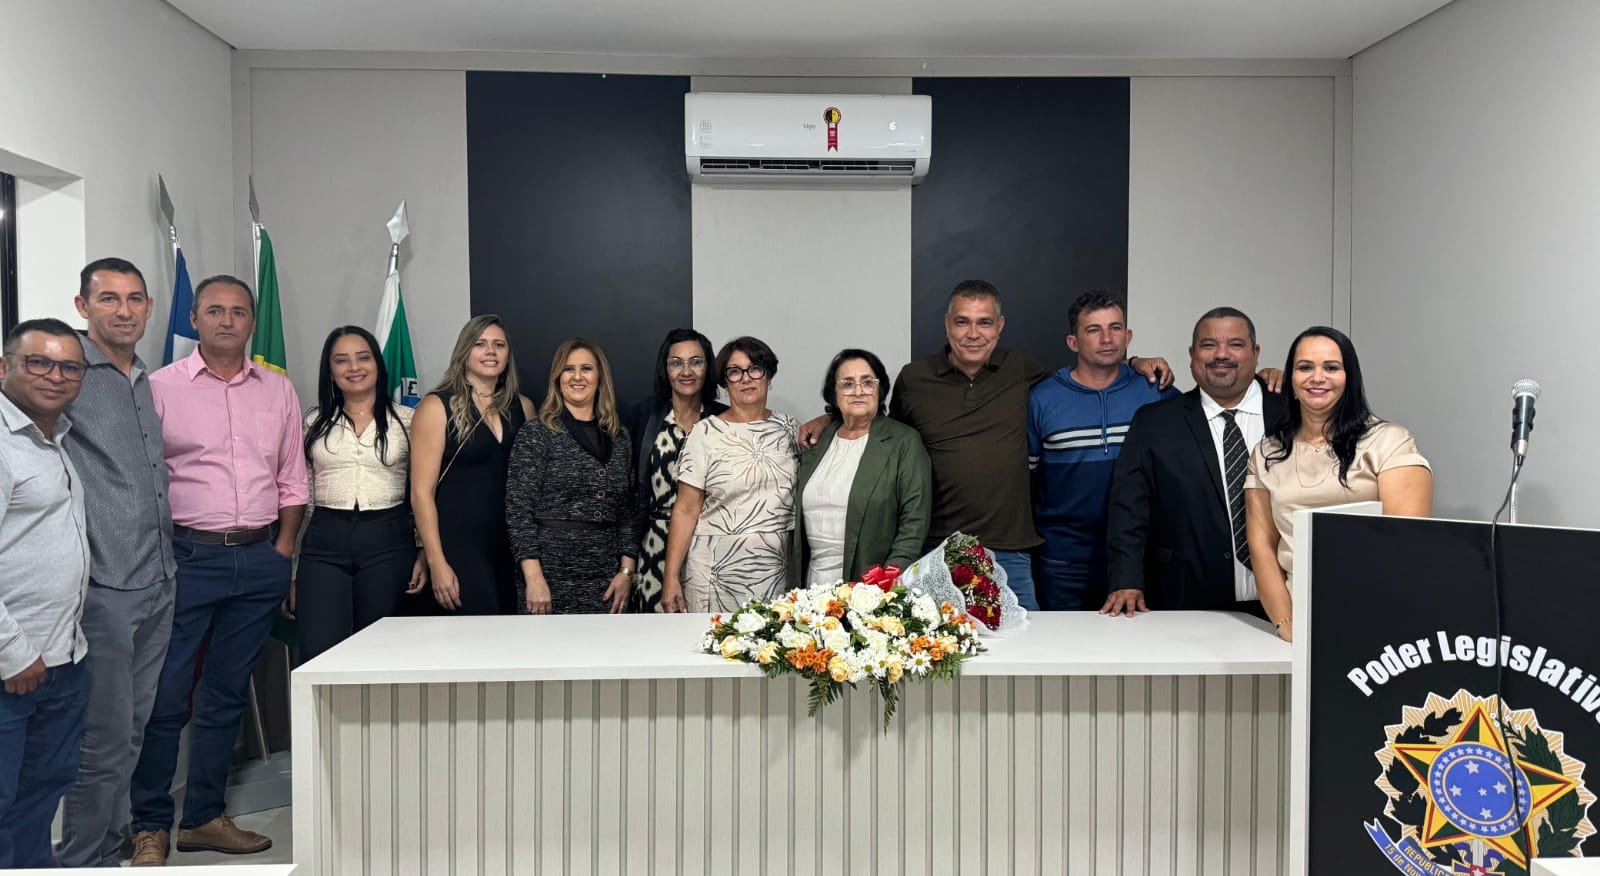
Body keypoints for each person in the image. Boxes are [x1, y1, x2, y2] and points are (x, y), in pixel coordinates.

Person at [834, 280, 1170, 612]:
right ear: (947, 325)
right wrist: (831, 419)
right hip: (936, 548)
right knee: (935, 642)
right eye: (962, 322)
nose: (973, 333)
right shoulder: (914, 378)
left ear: (1000, 326)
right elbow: (885, 433)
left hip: (1010, 551)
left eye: (984, 322)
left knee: (1031, 643)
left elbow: (1088, 372)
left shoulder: (1020, 370)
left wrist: (1133, 362)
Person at [130, 275, 308, 864]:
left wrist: (282, 550)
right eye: (214, 311)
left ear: (252, 322)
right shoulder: (159, 388)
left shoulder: (277, 390)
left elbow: (292, 477)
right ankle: (150, 824)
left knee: (227, 695)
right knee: (167, 695)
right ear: (195, 319)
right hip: (187, 559)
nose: (227, 321)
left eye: (238, 312)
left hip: (259, 559)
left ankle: (204, 817)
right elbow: (145, 481)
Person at [57, 260, 178, 868]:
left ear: (150, 308)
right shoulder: (67, 373)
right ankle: (84, 859)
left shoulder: (143, 377)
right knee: (102, 740)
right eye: (108, 299)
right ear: (83, 307)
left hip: (159, 576)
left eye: (134, 299)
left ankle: (110, 846)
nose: (123, 311)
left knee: (133, 728)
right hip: (106, 583)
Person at [1244, 326, 1432, 643]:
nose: (1317, 378)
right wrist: (1286, 623)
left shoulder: (1389, 441)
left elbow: (1407, 546)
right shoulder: (1266, 453)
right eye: (1305, 367)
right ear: (1291, 379)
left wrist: (1381, 621)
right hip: (1298, 616)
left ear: (1350, 378)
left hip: (1381, 612)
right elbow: (1262, 545)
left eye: (1331, 367)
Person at [1103, 307, 1287, 617]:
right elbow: (1129, 507)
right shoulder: (1155, 422)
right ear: (1191, 354)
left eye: (1235, 344)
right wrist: (1126, 578)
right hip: (1187, 599)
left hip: (1288, 597)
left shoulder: (1292, 413)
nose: (1221, 354)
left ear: (1255, 353)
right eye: (1208, 345)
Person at [0, 319, 91, 869]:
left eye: (69, 367)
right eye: (39, 362)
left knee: (39, 798)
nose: (55, 376)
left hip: (62, 660)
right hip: (13, 667)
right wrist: (11, 651)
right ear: (4, 367)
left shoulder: (55, 439)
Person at [1027, 291, 1179, 610]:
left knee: (1140, 642)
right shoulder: (1042, 398)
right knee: (1063, 642)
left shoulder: (1156, 391)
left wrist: (1264, 379)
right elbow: (1028, 482)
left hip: (1140, 560)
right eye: (1094, 330)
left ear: (1128, 336)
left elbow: (1210, 407)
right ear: (1073, 342)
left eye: (1115, 328)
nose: (1107, 339)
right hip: (1063, 562)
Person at [291, 326, 427, 660]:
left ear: (377, 364)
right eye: (342, 360)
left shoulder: (409, 421)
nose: (354, 367)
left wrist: (423, 552)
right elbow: (303, 497)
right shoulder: (313, 422)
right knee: (319, 654)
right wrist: (293, 571)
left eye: (363, 357)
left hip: (389, 540)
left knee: (382, 654)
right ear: (330, 370)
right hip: (323, 543)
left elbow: (423, 493)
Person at [661, 336, 799, 613]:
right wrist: (671, 576)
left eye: (755, 368)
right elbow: (686, 509)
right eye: (735, 372)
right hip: (714, 572)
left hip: (777, 571)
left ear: (769, 375)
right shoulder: (705, 433)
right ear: (725, 382)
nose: (746, 378)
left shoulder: (789, 428)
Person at [409, 316, 535, 615]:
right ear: (464, 351)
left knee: (512, 634)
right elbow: (421, 493)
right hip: (459, 546)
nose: (491, 351)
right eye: (480, 344)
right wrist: (435, 561)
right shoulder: (435, 407)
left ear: (508, 355)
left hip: (512, 546)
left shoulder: (524, 407)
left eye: (499, 345)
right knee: (474, 634)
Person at [506, 339, 638, 614]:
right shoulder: (536, 433)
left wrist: (626, 571)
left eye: (586, 368)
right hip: (548, 579)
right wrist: (533, 578)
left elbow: (627, 511)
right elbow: (518, 511)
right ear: (558, 378)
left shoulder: (620, 437)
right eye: (568, 369)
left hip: (607, 582)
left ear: (600, 377)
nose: (577, 376)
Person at [790, 349, 931, 587]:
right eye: (847, 384)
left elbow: (913, 524)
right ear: (834, 393)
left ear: (880, 389)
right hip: (812, 584)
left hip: (871, 589)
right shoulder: (817, 441)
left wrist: (886, 584)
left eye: (867, 382)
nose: (858, 391)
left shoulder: (903, 441)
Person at [624, 329, 726, 612]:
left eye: (696, 362)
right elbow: (629, 493)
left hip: (708, 545)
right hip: (654, 546)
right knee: (655, 631)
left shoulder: (723, 418)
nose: (686, 371)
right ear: (665, 369)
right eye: (676, 363)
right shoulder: (643, 415)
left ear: (708, 367)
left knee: (707, 627)